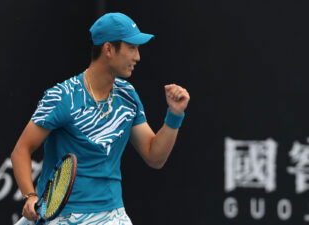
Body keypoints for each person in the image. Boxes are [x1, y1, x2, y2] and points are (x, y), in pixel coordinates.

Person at [11, 12, 190, 225]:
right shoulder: (62, 96)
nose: (138, 57)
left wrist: (175, 115)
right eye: (132, 47)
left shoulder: (128, 95)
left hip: (113, 214)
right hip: (63, 216)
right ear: (108, 49)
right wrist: (30, 196)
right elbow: (21, 150)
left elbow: (154, 156)